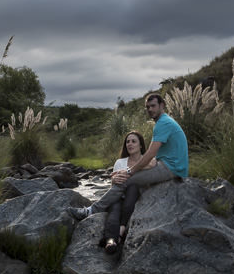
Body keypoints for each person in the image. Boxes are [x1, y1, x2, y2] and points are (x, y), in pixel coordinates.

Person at [72, 93, 189, 254]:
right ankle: (114, 231)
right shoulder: (165, 121)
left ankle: (91, 210)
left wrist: (130, 171)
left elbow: (149, 154)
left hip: (171, 168)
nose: (150, 109)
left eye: (153, 106)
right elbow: (153, 158)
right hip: (170, 165)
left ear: (162, 105)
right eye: (147, 107)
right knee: (127, 180)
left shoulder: (163, 123)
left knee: (127, 179)